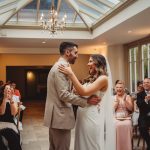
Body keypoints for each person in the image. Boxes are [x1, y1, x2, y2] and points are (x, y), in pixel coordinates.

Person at [44, 42, 100, 150]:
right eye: (76, 53)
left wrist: (73, 91)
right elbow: (64, 95)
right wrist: (86, 101)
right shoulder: (61, 68)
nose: (77, 56)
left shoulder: (61, 67)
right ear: (67, 52)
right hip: (59, 117)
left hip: (56, 116)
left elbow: (63, 91)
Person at [58, 54, 116, 150]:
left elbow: (83, 91)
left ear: (98, 63)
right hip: (82, 115)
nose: (87, 64)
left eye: (90, 61)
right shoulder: (92, 78)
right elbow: (78, 91)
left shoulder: (103, 79)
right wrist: (76, 91)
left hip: (91, 116)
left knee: (91, 145)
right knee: (81, 144)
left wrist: (71, 74)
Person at [114, 80, 133, 150]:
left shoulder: (127, 97)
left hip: (126, 118)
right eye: (117, 87)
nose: (119, 89)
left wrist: (125, 101)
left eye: (120, 87)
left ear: (124, 88)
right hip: (115, 118)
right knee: (116, 125)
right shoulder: (113, 97)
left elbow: (131, 109)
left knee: (127, 124)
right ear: (115, 88)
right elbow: (111, 110)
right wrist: (116, 103)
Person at [137, 78, 150, 150]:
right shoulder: (139, 95)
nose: (145, 84)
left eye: (147, 82)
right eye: (144, 82)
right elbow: (139, 105)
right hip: (144, 117)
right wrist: (145, 100)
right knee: (142, 128)